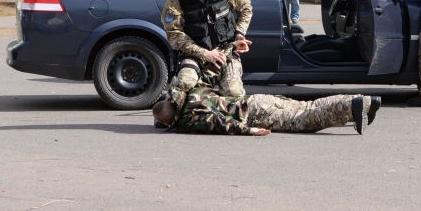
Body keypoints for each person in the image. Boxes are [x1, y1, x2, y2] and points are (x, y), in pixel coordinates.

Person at [161, 0, 252, 97]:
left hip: (226, 50)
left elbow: (246, 9)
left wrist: (239, 34)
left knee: (233, 92)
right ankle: (173, 110)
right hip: (195, 54)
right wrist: (205, 54)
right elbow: (174, 33)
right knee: (184, 84)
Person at [153, 81, 381, 136]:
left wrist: (248, 131)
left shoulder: (188, 120)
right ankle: (362, 100)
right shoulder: (192, 91)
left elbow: (219, 123)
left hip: (254, 114)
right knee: (306, 105)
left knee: (304, 119)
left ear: (167, 121)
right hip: (256, 100)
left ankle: (353, 106)